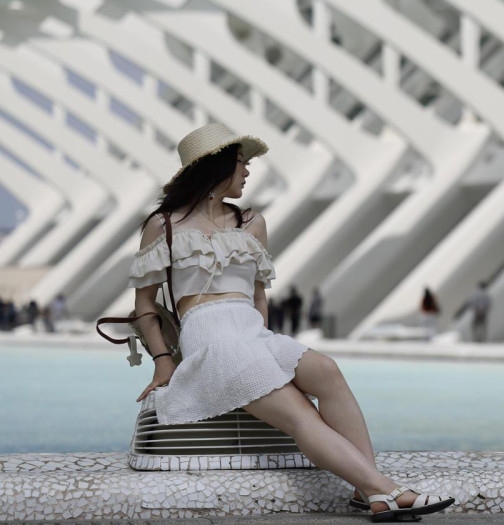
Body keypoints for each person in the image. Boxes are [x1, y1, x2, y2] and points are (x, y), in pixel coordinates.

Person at [126, 123, 453, 521]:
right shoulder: (163, 226)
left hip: (252, 331)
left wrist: (262, 338)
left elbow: (259, 294)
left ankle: (364, 490)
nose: (247, 172)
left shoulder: (251, 223)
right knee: (299, 412)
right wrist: (163, 360)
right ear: (215, 168)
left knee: (327, 370)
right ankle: (382, 489)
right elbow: (144, 305)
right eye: (241, 163)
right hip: (208, 336)